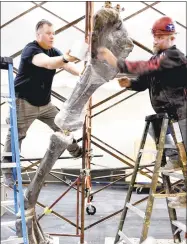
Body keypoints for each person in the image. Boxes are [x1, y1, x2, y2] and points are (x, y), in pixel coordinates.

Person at [97, 16, 187, 208]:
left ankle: (184, 189)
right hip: (165, 115)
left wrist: (117, 62)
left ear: (172, 37)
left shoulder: (173, 56)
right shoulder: (157, 58)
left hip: (181, 113)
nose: (155, 40)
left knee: (186, 155)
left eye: (160, 37)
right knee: (163, 138)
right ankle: (174, 159)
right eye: (154, 36)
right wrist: (130, 83)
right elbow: (146, 81)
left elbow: (144, 67)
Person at [2, 19, 83, 187]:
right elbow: (46, 63)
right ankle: (7, 172)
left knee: (63, 125)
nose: (52, 36)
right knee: (17, 134)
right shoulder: (31, 50)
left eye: (53, 33)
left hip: (45, 104)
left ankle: (75, 150)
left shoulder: (54, 51)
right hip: (24, 102)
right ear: (38, 35)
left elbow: (71, 67)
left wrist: (85, 72)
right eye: (48, 33)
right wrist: (66, 58)